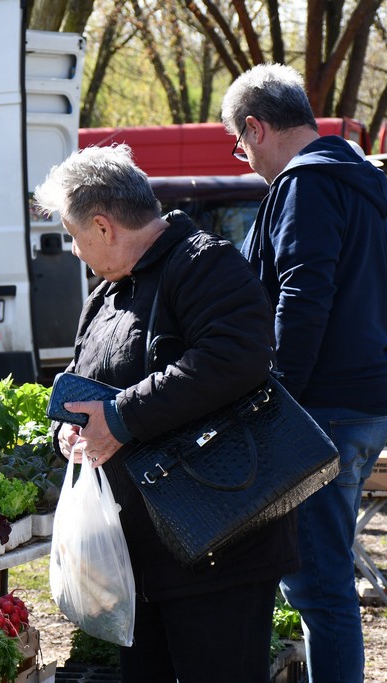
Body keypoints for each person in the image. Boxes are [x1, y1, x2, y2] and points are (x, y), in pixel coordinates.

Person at [34, 144, 298, 683]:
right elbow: (90, 377)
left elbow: (236, 357)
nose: (76, 251)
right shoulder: (107, 292)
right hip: (143, 552)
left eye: (74, 235)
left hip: (219, 542)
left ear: (103, 227)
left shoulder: (205, 263)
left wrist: (122, 418)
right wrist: (73, 427)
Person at [221, 63, 387, 682]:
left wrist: (276, 403)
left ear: (256, 126)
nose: (242, 157)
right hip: (365, 400)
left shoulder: (306, 184)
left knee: (319, 586)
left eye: (239, 143)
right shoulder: (353, 177)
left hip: (322, 406)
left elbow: (303, 296)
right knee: (321, 575)